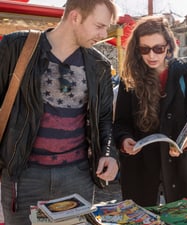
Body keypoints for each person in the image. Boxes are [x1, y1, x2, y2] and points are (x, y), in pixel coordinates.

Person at [0, 1, 119, 224]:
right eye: (99, 26)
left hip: (78, 177)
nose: (104, 34)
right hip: (23, 177)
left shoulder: (99, 65)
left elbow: (104, 119)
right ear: (75, 17)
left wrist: (109, 153)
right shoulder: (15, 46)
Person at [113, 15, 187, 207]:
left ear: (168, 46)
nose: (152, 55)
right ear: (136, 49)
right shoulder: (130, 78)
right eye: (145, 49)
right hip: (141, 169)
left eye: (158, 48)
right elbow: (121, 122)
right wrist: (124, 140)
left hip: (182, 168)